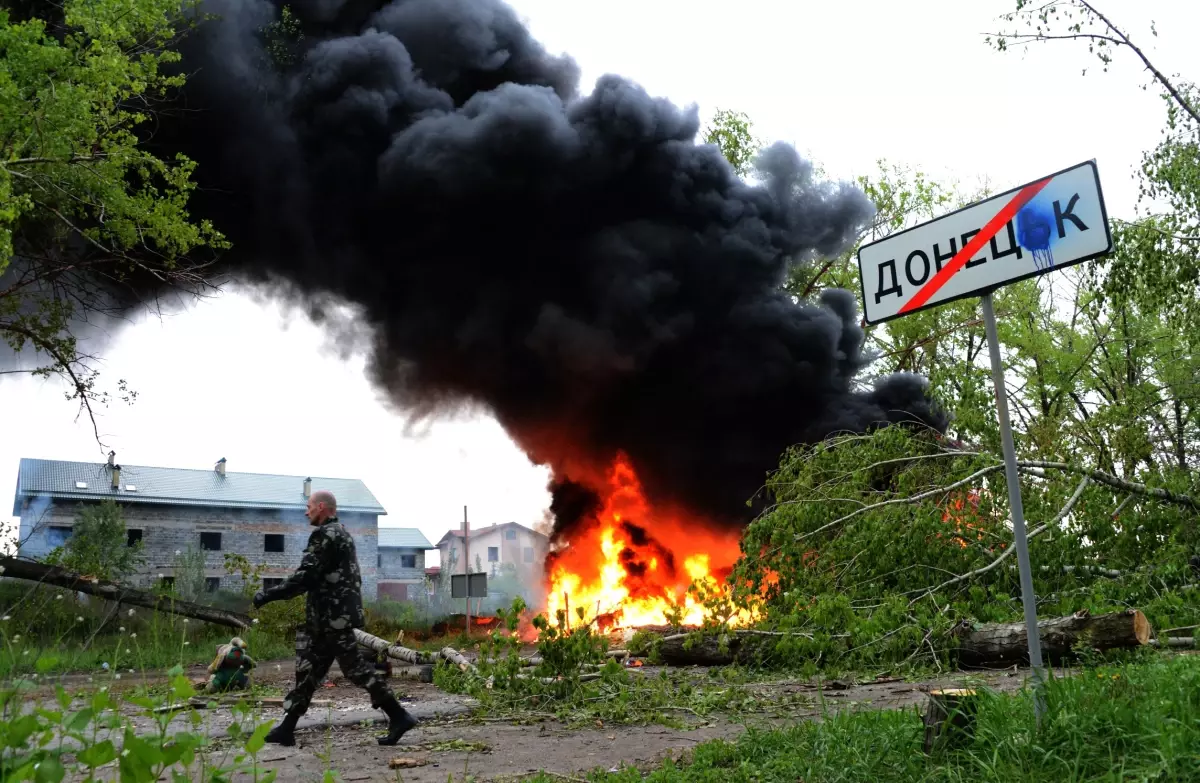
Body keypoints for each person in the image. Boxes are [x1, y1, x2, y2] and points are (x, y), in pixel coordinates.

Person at [253, 489, 418, 746]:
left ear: (321, 507)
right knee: (308, 672)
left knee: (355, 670)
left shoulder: (326, 535)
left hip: (331, 619)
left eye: (309, 506)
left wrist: (268, 595)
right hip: (328, 619)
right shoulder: (341, 534)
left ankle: (399, 715)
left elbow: (305, 577)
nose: (306, 511)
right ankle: (286, 729)